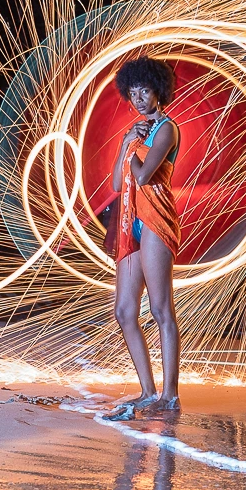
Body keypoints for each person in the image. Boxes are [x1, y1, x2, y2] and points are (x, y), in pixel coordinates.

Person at [105, 55, 181, 417]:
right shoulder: (133, 131)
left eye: (144, 91)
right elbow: (116, 184)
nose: (137, 99)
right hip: (130, 220)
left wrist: (132, 148)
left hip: (155, 218)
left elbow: (144, 176)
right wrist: (125, 144)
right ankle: (148, 392)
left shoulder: (167, 129)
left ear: (158, 91)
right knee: (124, 311)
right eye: (132, 92)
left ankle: (170, 395)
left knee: (161, 309)